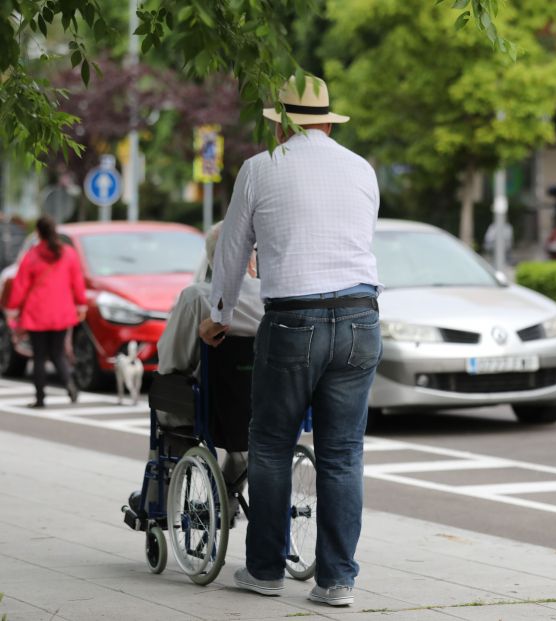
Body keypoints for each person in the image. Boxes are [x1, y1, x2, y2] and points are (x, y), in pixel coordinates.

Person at [200, 75, 382, 607]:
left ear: (281, 124)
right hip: (360, 316)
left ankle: (264, 571)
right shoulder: (361, 169)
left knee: (272, 444)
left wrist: (217, 316)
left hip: (292, 320)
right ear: (327, 121)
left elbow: (232, 251)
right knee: (343, 453)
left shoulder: (260, 169)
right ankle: (336, 581)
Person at [128, 221, 263, 520]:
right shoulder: (271, 299)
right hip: (264, 402)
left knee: (168, 409)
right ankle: (227, 491)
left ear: (213, 259)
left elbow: (172, 359)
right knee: (247, 434)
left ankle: (156, 503)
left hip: (211, 406)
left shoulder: (198, 297)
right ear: (251, 259)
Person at [5, 215, 86, 407]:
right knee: (58, 353)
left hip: (37, 312)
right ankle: (69, 383)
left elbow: (20, 285)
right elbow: (77, 282)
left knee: (39, 356)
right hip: (61, 311)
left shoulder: (32, 256)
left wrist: (12, 308)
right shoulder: (68, 254)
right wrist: (81, 304)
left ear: (39, 232)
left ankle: (40, 397)